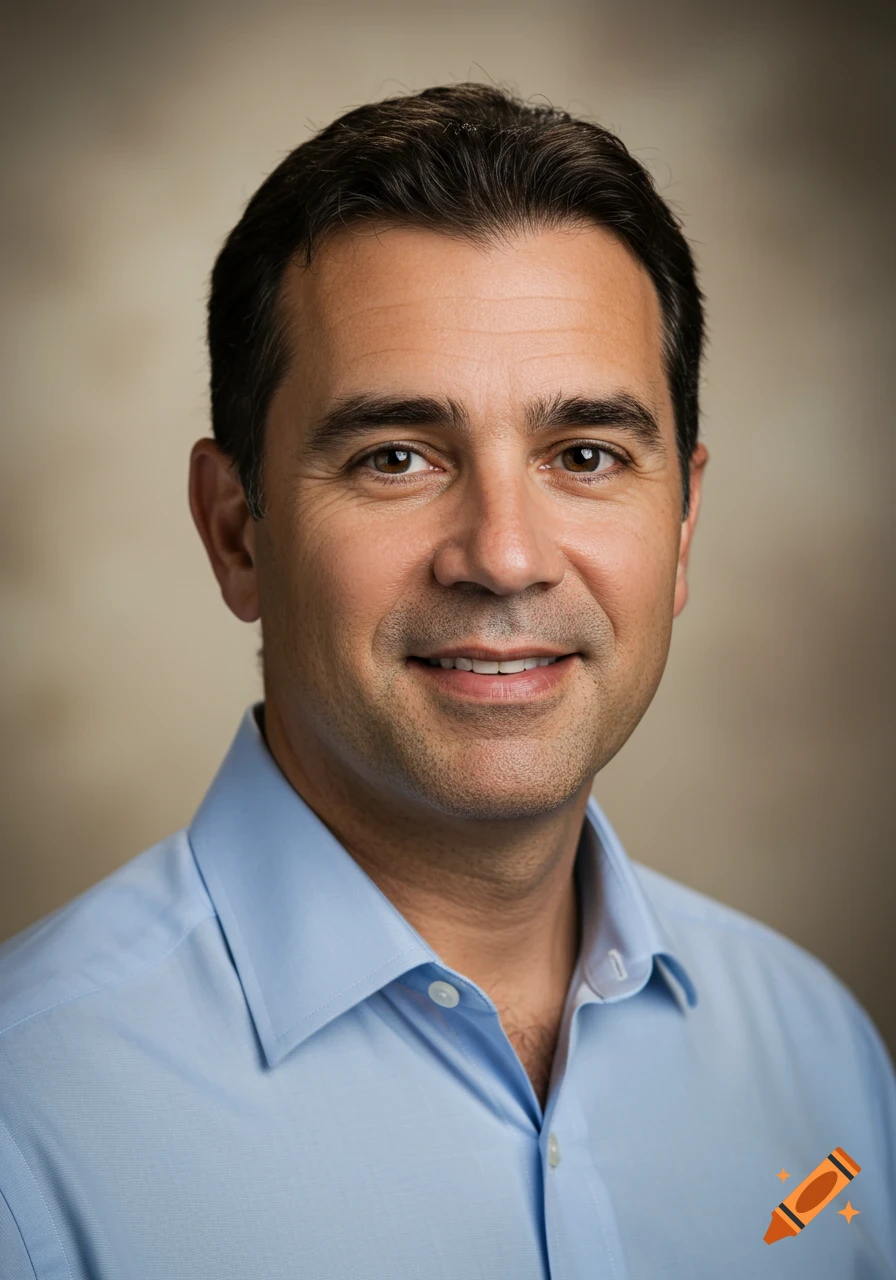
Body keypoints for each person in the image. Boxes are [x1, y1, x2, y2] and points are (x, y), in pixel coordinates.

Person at [1, 82, 893, 1280]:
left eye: (585, 454)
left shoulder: (817, 1053)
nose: (504, 555)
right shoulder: (29, 1124)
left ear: (680, 526)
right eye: (395, 457)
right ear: (236, 532)